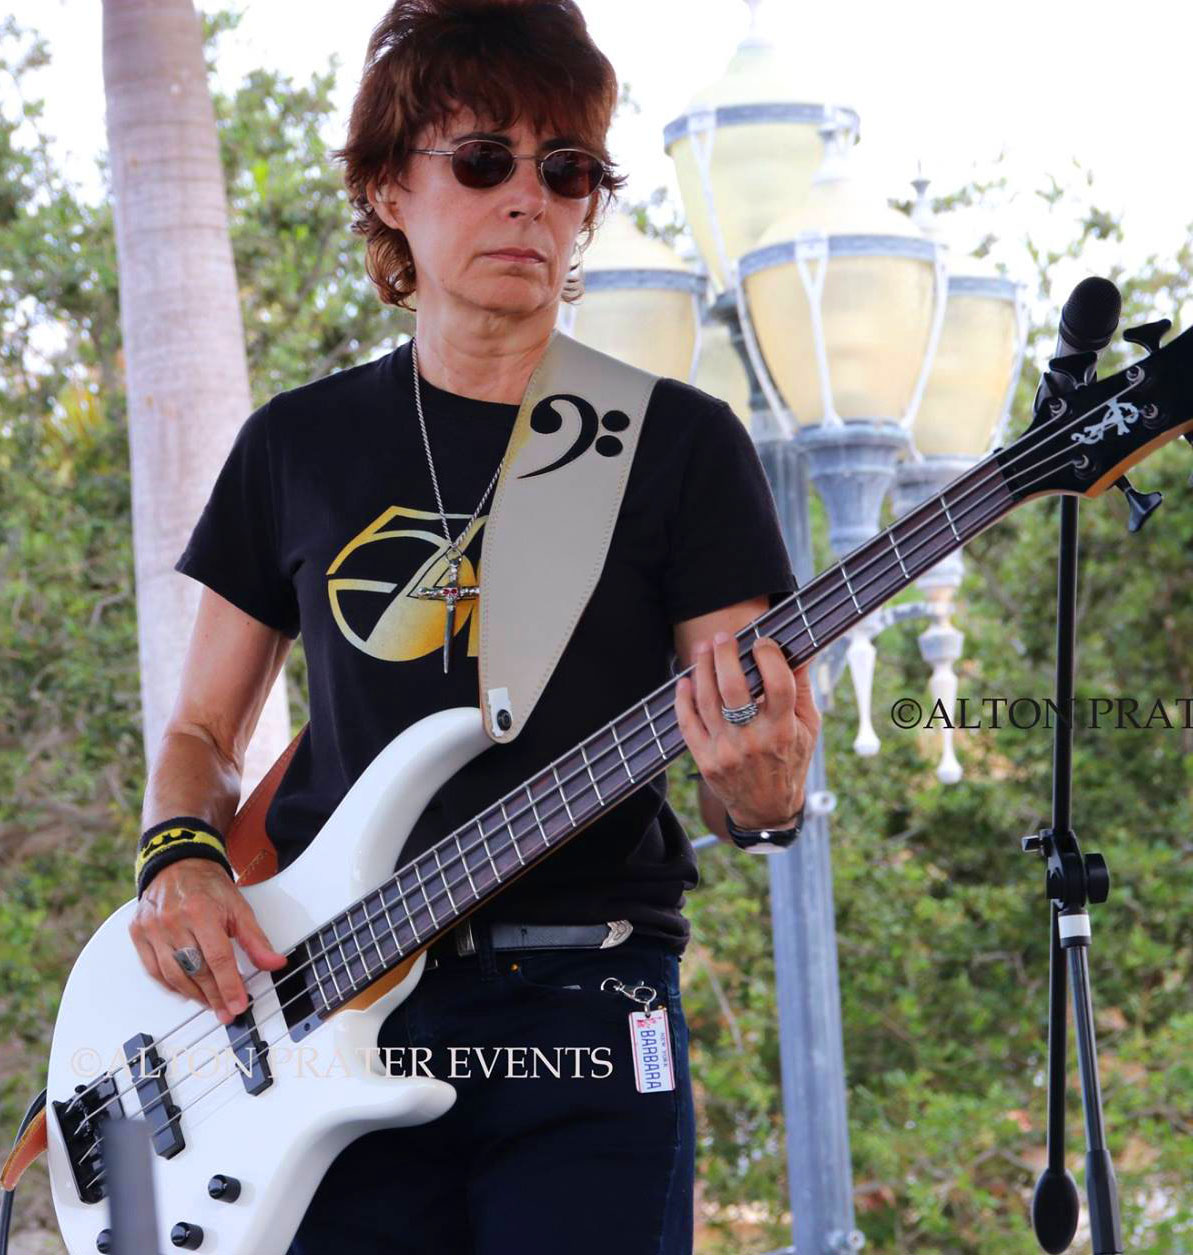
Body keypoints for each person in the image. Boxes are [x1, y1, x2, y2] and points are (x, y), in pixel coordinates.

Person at [128, 1, 820, 1252]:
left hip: (586, 999)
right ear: (393, 188)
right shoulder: (297, 445)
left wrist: (765, 789)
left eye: (566, 172)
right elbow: (199, 726)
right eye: (485, 160)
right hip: (328, 1008)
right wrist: (178, 852)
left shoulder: (672, 445)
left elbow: (746, 780)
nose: (529, 201)